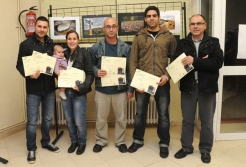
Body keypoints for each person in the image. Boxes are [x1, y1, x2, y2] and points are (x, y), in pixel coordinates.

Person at [172, 14, 223, 164]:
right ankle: (186, 147)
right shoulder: (182, 43)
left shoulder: (213, 42)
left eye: (199, 23)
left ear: (205, 25)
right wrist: (204, 61)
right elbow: (176, 63)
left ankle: (205, 150)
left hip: (207, 88)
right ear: (189, 27)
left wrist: (195, 61)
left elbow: (218, 62)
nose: (195, 26)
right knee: (187, 120)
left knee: (206, 121)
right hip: (188, 87)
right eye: (193, 24)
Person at [128, 6, 177, 158]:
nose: (151, 18)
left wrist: (167, 76)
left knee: (163, 115)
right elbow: (133, 61)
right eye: (148, 16)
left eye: (154, 15)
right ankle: (137, 140)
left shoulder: (168, 36)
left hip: (161, 82)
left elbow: (175, 60)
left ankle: (163, 143)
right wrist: (136, 83)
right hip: (143, 82)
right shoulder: (139, 37)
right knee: (139, 114)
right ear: (145, 18)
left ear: (158, 17)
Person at [16, 16, 60, 164]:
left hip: (49, 89)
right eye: (39, 26)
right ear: (35, 26)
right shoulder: (25, 44)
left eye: (45, 27)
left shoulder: (51, 43)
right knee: (33, 122)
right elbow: (19, 65)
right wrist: (29, 74)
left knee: (47, 118)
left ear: (48, 29)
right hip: (33, 89)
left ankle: (46, 141)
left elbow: (54, 64)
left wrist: (59, 73)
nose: (42, 30)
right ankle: (31, 148)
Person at [91, 18, 133, 153]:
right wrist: (96, 71)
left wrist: (130, 88)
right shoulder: (96, 47)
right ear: (103, 29)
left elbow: (129, 70)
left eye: (113, 26)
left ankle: (120, 141)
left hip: (120, 90)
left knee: (121, 118)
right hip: (101, 89)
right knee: (101, 118)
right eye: (108, 26)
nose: (111, 29)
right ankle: (101, 140)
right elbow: (89, 66)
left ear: (117, 28)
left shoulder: (126, 48)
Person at [61, 30, 94, 155]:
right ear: (66, 40)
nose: (72, 41)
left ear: (78, 40)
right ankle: (74, 141)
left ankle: (82, 142)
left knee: (79, 120)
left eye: (74, 39)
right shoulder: (62, 54)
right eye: (69, 39)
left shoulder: (85, 54)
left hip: (79, 93)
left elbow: (90, 74)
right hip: (65, 93)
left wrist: (82, 87)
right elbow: (57, 71)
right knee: (69, 120)